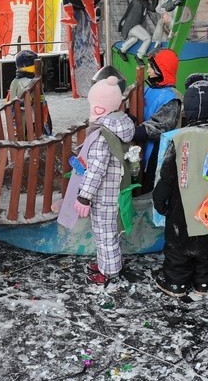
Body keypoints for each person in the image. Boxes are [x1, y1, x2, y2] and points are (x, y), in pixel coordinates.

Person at [152, 78, 208, 297]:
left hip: (181, 207)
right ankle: (204, 283)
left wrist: (159, 200)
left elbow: (166, 176)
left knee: (178, 249)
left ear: (189, 108)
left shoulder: (179, 138)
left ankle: (175, 282)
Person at [73, 75, 136, 285]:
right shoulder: (116, 126)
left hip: (103, 195)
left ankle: (109, 273)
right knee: (107, 233)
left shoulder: (102, 135)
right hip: (113, 191)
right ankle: (105, 264)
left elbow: (96, 170)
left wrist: (84, 196)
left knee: (106, 235)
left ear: (99, 108)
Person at [133, 48, 182, 193]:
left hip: (158, 150)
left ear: (161, 69)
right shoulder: (149, 89)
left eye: (151, 67)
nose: (148, 70)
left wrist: (135, 131)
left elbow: (161, 126)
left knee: (150, 185)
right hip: (143, 145)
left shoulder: (172, 97)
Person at [6, 49, 52, 135]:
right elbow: (25, 102)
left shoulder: (15, 81)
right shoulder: (29, 82)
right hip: (30, 119)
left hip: (25, 119)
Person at [116, 0, 160, 65]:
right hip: (132, 25)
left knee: (135, 39)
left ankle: (122, 49)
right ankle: (139, 55)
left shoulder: (143, 0)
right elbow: (133, 17)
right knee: (147, 38)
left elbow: (152, 8)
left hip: (133, 25)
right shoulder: (137, 1)